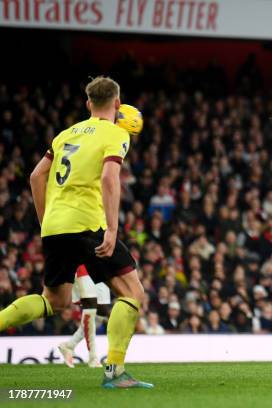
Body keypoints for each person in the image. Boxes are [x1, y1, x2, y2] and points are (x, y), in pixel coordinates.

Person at [0, 76, 152, 389]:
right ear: (117, 104)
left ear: (87, 104)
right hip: (87, 225)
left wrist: (46, 221)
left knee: (53, 300)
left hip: (55, 226)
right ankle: (115, 372)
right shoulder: (115, 133)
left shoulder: (64, 135)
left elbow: (35, 176)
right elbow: (110, 178)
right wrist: (112, 228)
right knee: (133, 294)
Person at [58, 265, 111, 368]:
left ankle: (69, 345)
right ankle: (93, 357)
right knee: (90, 305)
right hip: (84, 264)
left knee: (102, 310)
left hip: (101, 265)